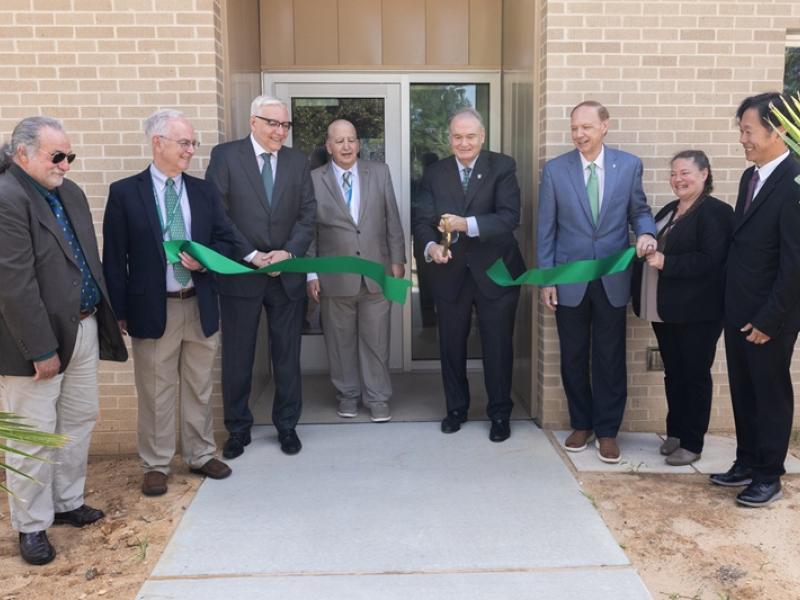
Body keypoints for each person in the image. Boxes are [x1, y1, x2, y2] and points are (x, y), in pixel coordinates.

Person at [103, 110, 262, 497]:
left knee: (199, 385)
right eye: (185, 143)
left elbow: (224, 238)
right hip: (153, 308)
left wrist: (204, 258)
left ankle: (200, 453)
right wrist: (119, 311)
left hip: (200, 302)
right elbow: (114, 256)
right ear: (158, 143)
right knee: (156, 391)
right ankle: (156, 464)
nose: (191, 150)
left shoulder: (202, 191)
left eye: (193, 143)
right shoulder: (125, 192)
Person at [0, 116, 128, 565]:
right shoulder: (7, 198)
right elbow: (14, 284)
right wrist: (40, 348)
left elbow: (85, 260)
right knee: (34, 436)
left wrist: (109, 313)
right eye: (57, 156)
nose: (66, 164)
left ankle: (66, 502)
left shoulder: (67, 193)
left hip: (85, 325)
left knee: (77, 421)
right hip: (34, 343)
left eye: (69, 155)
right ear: (23, 155)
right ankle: (31, 526)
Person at [537, 100, 656, 464]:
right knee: (573, 355)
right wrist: (547, 279)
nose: (579, 134)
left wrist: (647, 233)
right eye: (574, 128)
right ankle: (581, 424)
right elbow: (546, 230)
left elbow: (639, 210)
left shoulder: (628, 166)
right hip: (569, 279)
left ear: (604, 126)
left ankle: (607, 432)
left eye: (586, 127)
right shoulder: (555, 171)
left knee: (609, 357)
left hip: (611, 279)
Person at [206, 96, 316, 459]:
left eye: (284, 126)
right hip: (242, 274)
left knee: (287, 355)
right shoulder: (226, 157)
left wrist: (289, 252)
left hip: (285, 275)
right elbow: (217, 213)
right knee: (239, 356)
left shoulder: (298, 162)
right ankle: (238, 429)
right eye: (272, 124)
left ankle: (288, 426)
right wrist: (251, 255)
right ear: (253, 122)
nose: (279, 132)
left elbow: (307, 215)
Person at [412, 107, 526, 443]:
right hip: (450, 274)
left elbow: (509, 217)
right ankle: (456, 410)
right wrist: (432, 247)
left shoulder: (501, 166)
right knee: (450, 345)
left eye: (470, 136)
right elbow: (422, 220)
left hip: (495, 271)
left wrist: (467, 225)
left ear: (482, 137)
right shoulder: (435, 173)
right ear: (449, 139)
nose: (464, 143)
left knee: (497, 347)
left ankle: (500, 414)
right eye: (457, 137)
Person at [710, 92, 800, 507]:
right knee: (743, 390)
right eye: (741, 130)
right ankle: (746, 460)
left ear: (778, 129)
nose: (742, 139)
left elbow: (794, 263)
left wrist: (770, 318)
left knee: (770, 392)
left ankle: (769, 474)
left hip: (770, 315)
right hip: (738, 308)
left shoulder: (794, 181)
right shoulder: (752, 176)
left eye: (748, 130)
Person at [631, 150, 733, 466]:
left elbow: (712, 261)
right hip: (666, 312)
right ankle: (674, 432)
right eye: (674, 173)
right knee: (673, 373)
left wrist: (667, 262)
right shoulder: (671, 209)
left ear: (705, 174)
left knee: (694, 375)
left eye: (685, 172)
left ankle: (692, 442)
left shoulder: (716, 212)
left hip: (698, 313)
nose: (678, 179)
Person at [307, 119, 406, 422]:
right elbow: (308, 230)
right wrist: (311, 273)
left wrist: (398, 260)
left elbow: (392, 218)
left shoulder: (379, 172)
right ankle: (348, 395)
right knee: (340, 343)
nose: (347, 146)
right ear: (329, 146)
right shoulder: (313, 179)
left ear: (359, 144)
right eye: (340, 141)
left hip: (376, 273)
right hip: (333, 276)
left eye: (351, 140)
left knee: (377, 340)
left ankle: (377, 398)